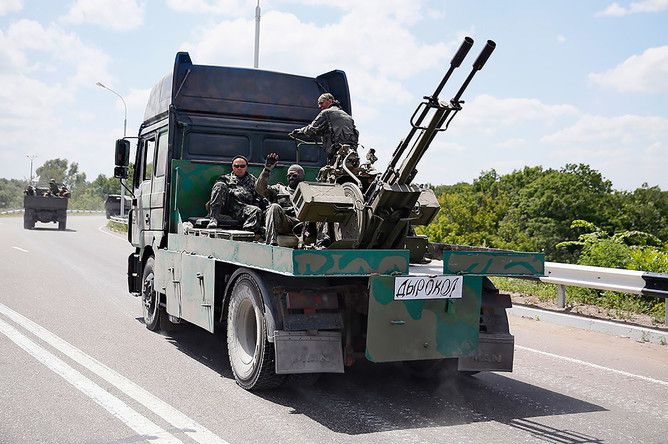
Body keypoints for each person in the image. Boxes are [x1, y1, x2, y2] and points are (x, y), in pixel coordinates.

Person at [289, 93, 358, 165]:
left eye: (321, 103)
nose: (319, 106)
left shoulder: (326, 113)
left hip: (337, 153)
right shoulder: (347, 116)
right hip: (351, 154)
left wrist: (299, 131)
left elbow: (311, 129)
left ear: (330, 101)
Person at [255, 153, 304, 246]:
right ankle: (271, 243)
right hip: (285, 222)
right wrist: (267, 170)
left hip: (304, 223)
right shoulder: (280, 189)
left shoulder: (309, 191)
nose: (291, 178)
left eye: (294, 176)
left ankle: (322, 240)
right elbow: (260, 189)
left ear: (302, 177)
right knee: (274, 206)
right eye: (289, 176)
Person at [206, 155, 263, 233]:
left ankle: (247, 234)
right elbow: (218, 192)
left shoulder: (253, 180)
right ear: (232, 167)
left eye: (242, 166)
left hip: (241, 208)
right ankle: (214, 218)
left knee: (256, 210)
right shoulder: (225, 178)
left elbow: (259, 195)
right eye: (236, 166)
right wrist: (234, 192)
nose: (239, 168)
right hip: (227, 206)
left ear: (246, 167)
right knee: (220, 185)